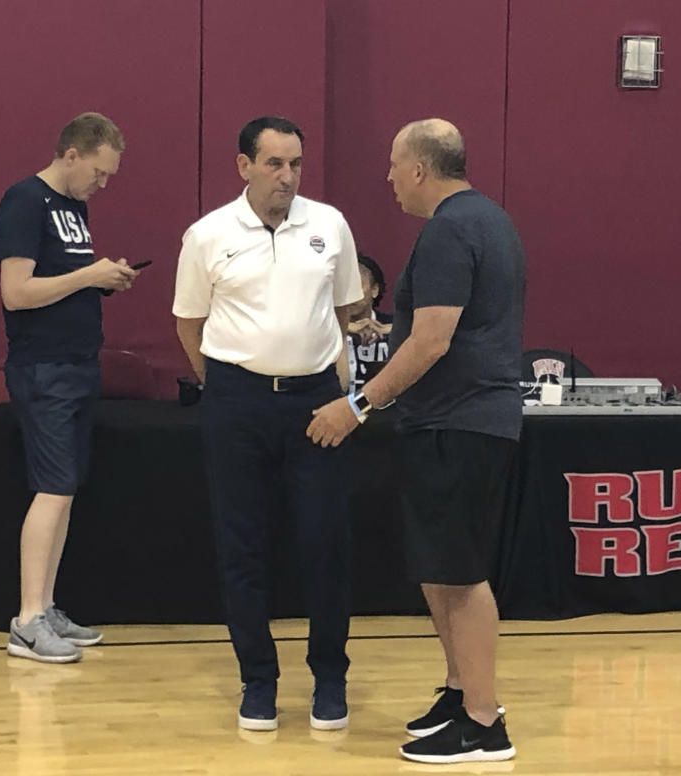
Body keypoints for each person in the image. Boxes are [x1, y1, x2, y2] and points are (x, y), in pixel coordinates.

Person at [307, 118, 524, 763]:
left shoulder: (448, 230)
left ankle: (485, 723)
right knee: (441, 570)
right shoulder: (490, 221)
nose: (390, 178)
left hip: (461, 420)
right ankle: (461, 694)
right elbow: (440, 325)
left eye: (394, 166)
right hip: (456, 420)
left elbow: (432, 340)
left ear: (422, 169)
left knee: (460, 575)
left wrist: (358, 405)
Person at [173, 116, 363, 731]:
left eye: (296, 164)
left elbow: (346, 311)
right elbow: (188, 324)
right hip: (236, 400)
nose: (287, 176)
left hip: (315, 400)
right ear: (244, 166)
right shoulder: (206, 235)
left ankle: (329, 679)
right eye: (275, 164)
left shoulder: (329, 225)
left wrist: (340, 391)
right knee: (243, 545)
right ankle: (258, 681)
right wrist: (225, 387)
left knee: (325, 542)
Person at [0, 112, 140, 663]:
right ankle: (27, 620)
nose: (101, 185)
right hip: (43, 367)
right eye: (98, 174)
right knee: (52, 488)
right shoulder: (24, 202)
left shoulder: (72, 207)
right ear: (72, 155)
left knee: (66, 488)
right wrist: (88, 276)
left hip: (78, 361)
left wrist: (102, 281)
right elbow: (17, 292)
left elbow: (62, 281)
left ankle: (47, 605)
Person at [346, 252, 393, 393]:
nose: (349, 295)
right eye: (343, 288)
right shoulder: (325, 327)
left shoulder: (395, 325)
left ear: (374, 290)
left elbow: (428, 334)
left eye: (356, 287)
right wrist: (345, 328)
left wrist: (391, 330)